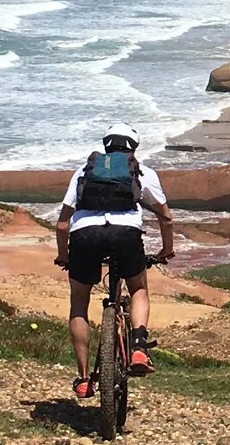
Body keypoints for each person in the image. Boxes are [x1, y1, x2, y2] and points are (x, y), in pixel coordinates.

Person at [53, 129, 174, 402]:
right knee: (138, 289)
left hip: (84, 235)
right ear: (134, 147)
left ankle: (84, 380)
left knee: (79, 302)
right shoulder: (142, 172)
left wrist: (64, 256)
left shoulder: (84, 171)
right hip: (125, 233)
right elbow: (166, 218)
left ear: (106, 147)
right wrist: (167, 250)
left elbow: (62, 224)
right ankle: (139, 348)